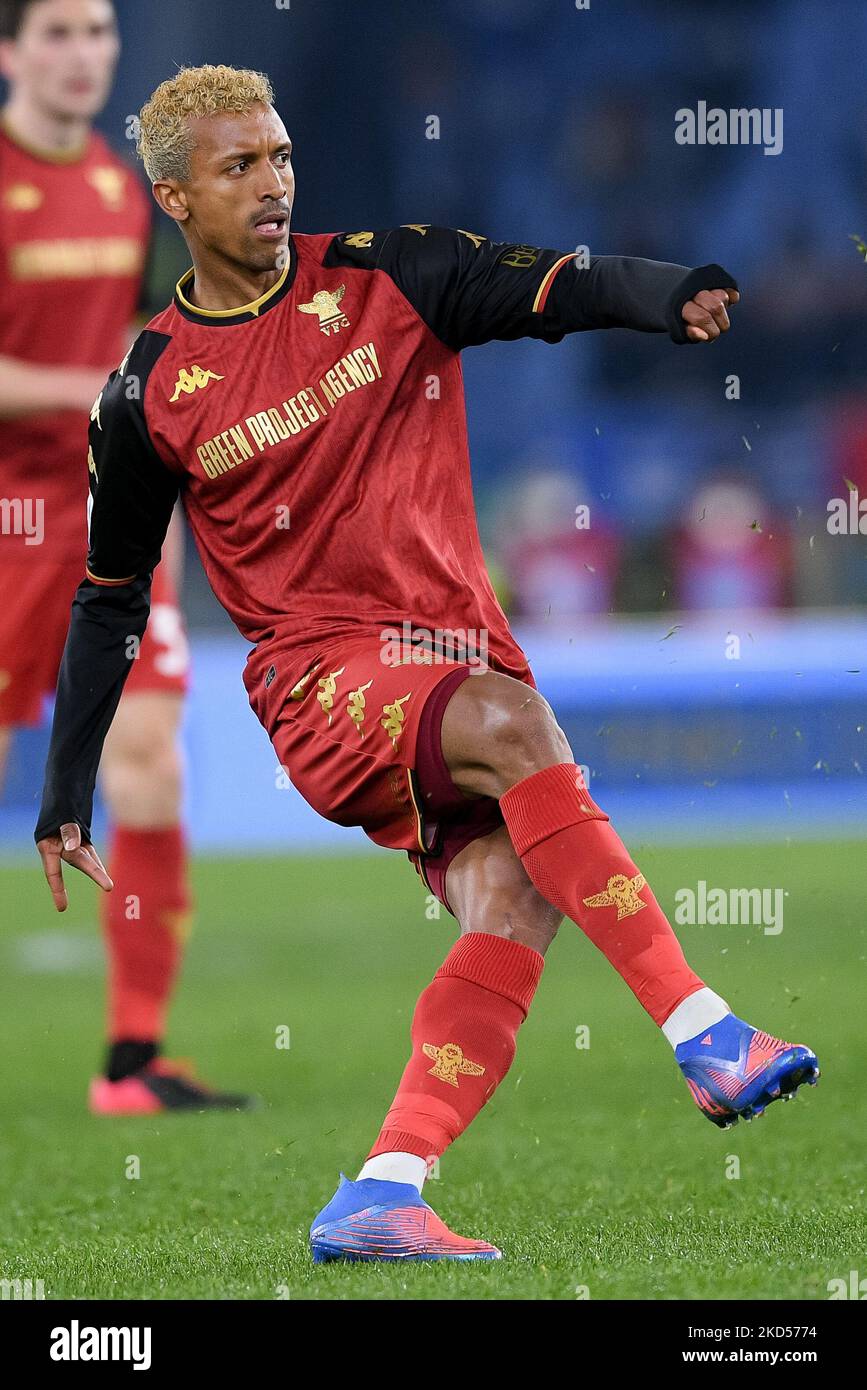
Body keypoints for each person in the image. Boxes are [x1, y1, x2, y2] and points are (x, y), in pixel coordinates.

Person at [34, 63, 818, 1262]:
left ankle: (384, 1187)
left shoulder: (390, 273)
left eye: (283, 156)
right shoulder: (147, 392)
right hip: (318, 682)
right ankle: (706, 1029)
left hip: (450, 654)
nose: (274, 183)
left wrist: (669, 294)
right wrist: (63, 792)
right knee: (514, 726)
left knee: (515, 897)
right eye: (240, 166)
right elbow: (107, 598)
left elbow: (551, 283)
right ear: (174, 197)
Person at [0, 0, 250, 1112]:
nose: (82, 53)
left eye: (97, 31)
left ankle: (133, 1062)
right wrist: (87, 392)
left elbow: (141, 370)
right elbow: (96, 377)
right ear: (10, 53)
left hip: (101, 519)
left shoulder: (117, 186)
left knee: (149, 762)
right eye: (56, 32)